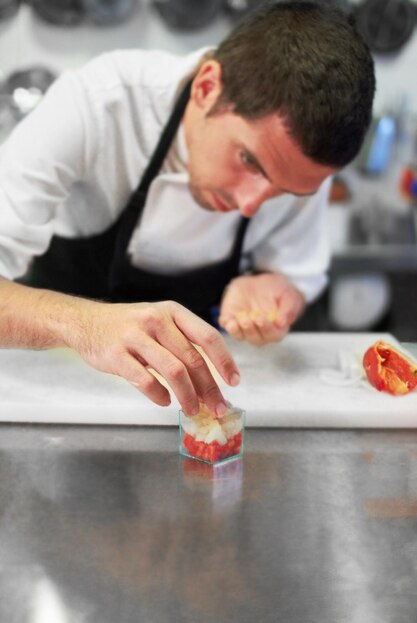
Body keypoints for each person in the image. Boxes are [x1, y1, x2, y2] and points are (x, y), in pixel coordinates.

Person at [0, 1, 375, 416]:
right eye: (249, 161)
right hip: (63, 398)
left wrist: (275, 287)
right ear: (206, 87)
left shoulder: (300, 162)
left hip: (199, 406)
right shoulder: (97, 104)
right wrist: (86, 326)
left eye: (286, 191)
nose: (250, 206)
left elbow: (293, 273)